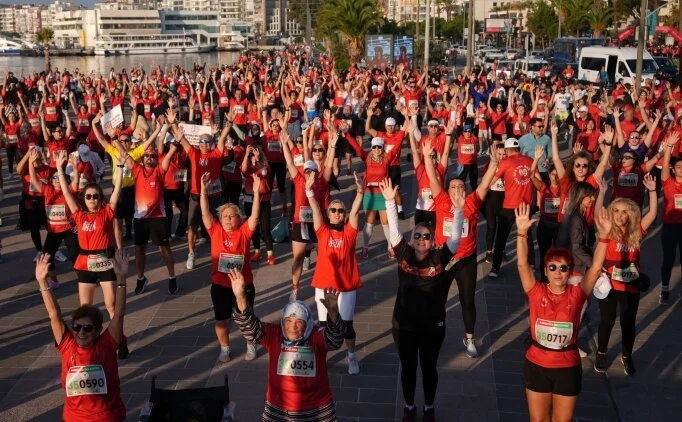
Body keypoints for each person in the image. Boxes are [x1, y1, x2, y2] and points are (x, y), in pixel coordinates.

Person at [515, 203, 610, 422]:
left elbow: (595, 269)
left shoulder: (577, 294)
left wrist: (604, 237)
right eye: (553, 267)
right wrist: (521, 233)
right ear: (546, 271)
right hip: (537, 364)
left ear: (570, 272)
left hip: (567, 367)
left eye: (564, 268)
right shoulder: (536, 291)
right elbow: (522, 266)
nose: (558, 272)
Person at [381, 176, 464, 421]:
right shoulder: (404, 253)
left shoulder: (439, 258)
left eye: (426, 236)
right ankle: (409, 406)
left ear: (433, 241)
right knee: (408, 369)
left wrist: (458, 211)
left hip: (432, 327)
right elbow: (394, 231)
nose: (420, 239)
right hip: (404, 325)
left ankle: (428, 407)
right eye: (417, 235)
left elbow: (456, 240)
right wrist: (389, 203)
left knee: (429, 369)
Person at [232, 267, 344, 422]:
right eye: (289, 321)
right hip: (278, 408)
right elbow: (251, 329)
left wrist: (333, 313)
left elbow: (335, 340)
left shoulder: (316, 335)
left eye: (299, 322)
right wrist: (240, 296)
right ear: (283, 323)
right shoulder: (274, 334)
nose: (293, 326)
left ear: (308, 324)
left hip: (317, 409)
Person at [35, 249, 129, 422]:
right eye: (77, 327)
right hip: (74, 418)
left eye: (87, 328)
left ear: (98, 330)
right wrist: (42, 282)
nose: (81, 332)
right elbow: (54, 314)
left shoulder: (106, 344)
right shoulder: (68, 345)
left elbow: (119, 314)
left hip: (107, 417)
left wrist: (121, 279)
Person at [425, 140, 498, 359]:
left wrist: (493, 163)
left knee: (468, 300)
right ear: (447, 190)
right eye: (453, 186)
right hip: (443, 259)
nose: (457, 189)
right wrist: (428, 158)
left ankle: (469, 338)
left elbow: (484, 185)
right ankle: (434, 336)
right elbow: (431, 178)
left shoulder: (472, 203)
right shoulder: (442, 201)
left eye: (461, 187)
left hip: (466, 260)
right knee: (438, 301)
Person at [57, 148, 128, 359]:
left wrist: (121, 167)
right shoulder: (79, 214)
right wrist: (60, 170)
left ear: (100, 199)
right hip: (85, 264)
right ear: (84, 198)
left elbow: (116, 193)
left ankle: (119, 338)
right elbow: (67, 193)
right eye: (88, 196)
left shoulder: (107, 212)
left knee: (111, 304)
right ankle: (88, 339)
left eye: (95, 196)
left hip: (105, 262)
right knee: (85, 307)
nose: (91, 199)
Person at [594, 177, 657, 376]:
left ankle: (626, 355)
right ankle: (602, 353)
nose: (620, 215)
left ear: (631, 214)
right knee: (607, 321)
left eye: (624, 211)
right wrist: (602, 192)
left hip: (630, 286)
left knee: (628, 323)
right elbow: (597, 213)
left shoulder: (636, 232)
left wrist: (653, 192)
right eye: (616, 210)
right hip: (610, 286)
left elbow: (653, 214)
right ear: (611, 213)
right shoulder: (607, 230)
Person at [200, 171, 261, 362]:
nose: (228, 219)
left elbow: (256, 216)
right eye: (225, 216)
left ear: (239, 219)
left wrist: (257, 193)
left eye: (232, 216)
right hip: (220, 285)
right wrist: (203, 190)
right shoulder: (215, 230)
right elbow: (205, 212)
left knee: (246, 319)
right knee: (221, 320)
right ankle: (225, 348)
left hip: (243, 285)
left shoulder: (244, 233)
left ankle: (250, 345)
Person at [307, 170, 364, 375]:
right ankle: (321, 358)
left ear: (344, 214)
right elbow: (314, 210)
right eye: (333, 210)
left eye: (341, 211)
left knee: (346, 326)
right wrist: (309, 190)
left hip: (346, 287)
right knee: (323, 326)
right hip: (323, 287)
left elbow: (356, 211)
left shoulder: (350, 231)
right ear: (328, 213)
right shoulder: (322, 231)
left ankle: (351, 355)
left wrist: (360, 191)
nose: (337, 213)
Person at [124, 141, 179, 295]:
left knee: (164, 248)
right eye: (146, 155)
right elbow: (125, 155)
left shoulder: (160, 171)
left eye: (152, 156)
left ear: (156, 159)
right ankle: (141, 278)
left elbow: (167, 158)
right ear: (142, 159)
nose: (149, 158)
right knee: (140, 249)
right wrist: (114, 138)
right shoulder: (137, 170)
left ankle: (172, 277)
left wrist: (174, 146)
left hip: (158, 217)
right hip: (140, 218)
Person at [28, 149, 81, 289]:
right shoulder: (47, 190)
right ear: (51, 181)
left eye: (60, 177)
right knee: (47, 256)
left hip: (69, 229)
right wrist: (30, 161)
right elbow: (33, 179)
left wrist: (75, 167)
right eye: (55, 178)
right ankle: (54, 280)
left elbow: (76, 180)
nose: (57, 180)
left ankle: (82, 278)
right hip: (53, 231)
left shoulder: (68, 189)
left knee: (75, 254)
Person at [488, 137, 535, 277]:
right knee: (527, 237)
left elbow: (491, 181)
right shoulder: (530, 161)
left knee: (501, 237)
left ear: (508, 150)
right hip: (525, 206)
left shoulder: (505, 162)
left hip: (509, 205)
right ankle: (531, 264)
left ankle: (495, 268)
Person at [658, 132, 682, 304]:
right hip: (670, 227)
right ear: (674, 169)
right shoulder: (668, 181)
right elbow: (665, 165)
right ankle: (665, 289)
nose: (681, 169)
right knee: (668, 260)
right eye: (679, 166)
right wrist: (668, 148)